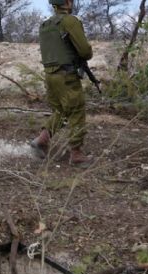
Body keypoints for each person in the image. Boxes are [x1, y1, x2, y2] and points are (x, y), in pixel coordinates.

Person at [30, 0, 93, 167]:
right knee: (76, 111)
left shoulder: (45, 25)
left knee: (60, 110)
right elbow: (85, 51)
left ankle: (41, 140)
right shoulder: (69, 21)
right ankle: (77, 154)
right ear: (67, 2)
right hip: (66, 76)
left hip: (50, 75)